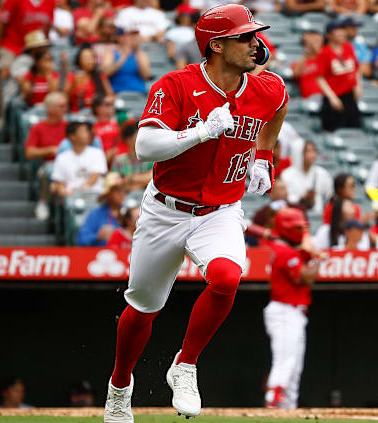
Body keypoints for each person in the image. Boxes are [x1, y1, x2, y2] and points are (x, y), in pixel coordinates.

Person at [103, 5, 288, 421]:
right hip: (166, 208)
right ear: (217, 45)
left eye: (255, 36)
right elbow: (144, 147)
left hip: (220, 208)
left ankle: (185, 364)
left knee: (226, 277)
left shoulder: (265, 87)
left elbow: (279, 106)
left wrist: (264, 157)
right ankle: (119, 387)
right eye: (244, 37)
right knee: (143, 308)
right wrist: (201, 131)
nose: (255, 43)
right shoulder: (177, 84)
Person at [263, 208, 317, 409]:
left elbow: (307, 252)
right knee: (285, 362)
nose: (303, 231)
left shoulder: (289, 249)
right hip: (284, 312)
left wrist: (311, 254)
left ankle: (288, 410)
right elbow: (307, 278)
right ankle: (273, 405)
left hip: (294, 313)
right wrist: (316, 258)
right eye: (299, 228)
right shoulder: (284, 250)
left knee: (294, 368)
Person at [25, 92, 69, 220]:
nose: (65, 109)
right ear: (50, 108)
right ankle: (43, 202)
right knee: (48, 171)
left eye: (65, 106)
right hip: (48, 164)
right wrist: (49, 150)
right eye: (61, 106)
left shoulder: (69, 127)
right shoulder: (38, 127)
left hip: (68, 164)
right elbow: (29, 152)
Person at [316, 19, 361, 132]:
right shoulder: (324, 53)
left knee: (354, 129)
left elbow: (356, 69)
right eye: (337, 30)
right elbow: (320, 78)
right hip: (335, 97)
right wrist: (332, 98)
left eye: (342, 29)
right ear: (329, 35)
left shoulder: (348, 47)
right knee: (333, 129)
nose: (342, 33)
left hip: (350, 96)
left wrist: (358, 86)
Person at [51, 121, 107, 198]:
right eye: (83, 132)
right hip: (70, 197)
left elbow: (94, 178)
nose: (87, 135)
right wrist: (63, 190)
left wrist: (78, 191)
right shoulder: (62, 157)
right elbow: (60, 182)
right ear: (72, 136)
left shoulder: (97, 153)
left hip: (93, 194)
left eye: (87, 131)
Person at [281, 141, 334, 214]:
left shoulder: (322, 173)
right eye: (308, 151)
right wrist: (301, 199)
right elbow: (283, 198)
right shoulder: (287, 174)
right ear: (299, 154)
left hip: (317, 216)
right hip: (293, 215)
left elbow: (329, 195)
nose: (312, 155)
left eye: (313, 151)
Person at [77, 173, 126, 246]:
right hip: (103, 254)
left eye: (123, 190)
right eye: (116, 190)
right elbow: (81, 240)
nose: (121, 194)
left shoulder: (129, 213)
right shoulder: (96, 215)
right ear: (108, 194)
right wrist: (98, 236)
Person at [65, 44, 113, 113]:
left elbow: (110, 96)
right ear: (79, 60)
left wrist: (97, 101)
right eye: (86, 58)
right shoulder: (72, 77)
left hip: (97, 113)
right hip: (77, 114)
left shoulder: (100, 76)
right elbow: (65, 97)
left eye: (91, 57)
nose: (89, 60)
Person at [103, 26, 151, 94]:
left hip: (138, 93)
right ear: (120, 37)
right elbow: (106, 72)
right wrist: (124, 56)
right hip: (117, 92)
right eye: (129, 35)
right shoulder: (111, 52)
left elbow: (146, 75)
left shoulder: (140, 54)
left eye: (134, 36)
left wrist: (136, 51)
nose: (133, 38)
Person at [111, 122, 153, 191]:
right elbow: (114, 182)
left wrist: (130, 179)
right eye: (139, 135)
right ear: (128, 140)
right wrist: (143, 182)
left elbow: (153, 178)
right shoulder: (119, 160)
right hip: (125, 199)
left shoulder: (153, 158)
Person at [291, 29, 324, 99]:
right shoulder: (300, 61)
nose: (315, 43)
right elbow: (295, 74)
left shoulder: (325, 57)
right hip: (309, 101)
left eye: (318, 41)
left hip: (326, 98)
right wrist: (307, 53)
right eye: (314, 41)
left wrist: (317, 50)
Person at [93, 94, 125, 163]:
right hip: (103, 161)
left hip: (123, 160)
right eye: (107, 105)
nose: (111, 107)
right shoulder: (92, 127)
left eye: (112, 104)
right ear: (97, 108)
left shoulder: (120, 123)